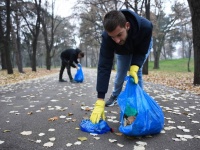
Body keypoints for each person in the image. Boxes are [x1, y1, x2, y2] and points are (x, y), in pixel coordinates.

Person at [90, 9, 153, 124]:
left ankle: (137, 106)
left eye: (119, 34)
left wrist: (135, 65)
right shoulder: (108, 38)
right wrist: (100, 99)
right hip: (123, 50)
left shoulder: (146, 27)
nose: (117, 40)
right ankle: (115, 96)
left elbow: (141, 51)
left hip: (140, 46)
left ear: (127, 25)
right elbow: (104, 66)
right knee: (120, 74)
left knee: (135, 74)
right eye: (112, 37)